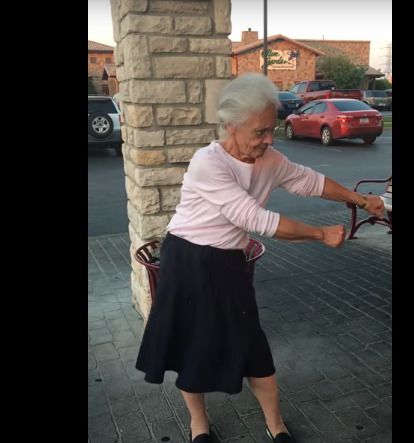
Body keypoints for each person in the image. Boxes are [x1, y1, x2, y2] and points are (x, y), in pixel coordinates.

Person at [135, 74, 386, 443]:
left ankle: (276, 424)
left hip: (228, 262)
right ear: (230, 126)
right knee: (192, 346)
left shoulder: (269, 158)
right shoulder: (209, 162)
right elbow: (255, 219)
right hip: (186, 260)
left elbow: (310, 180)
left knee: (252, 343)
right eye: (259, 132)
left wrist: (361, 200)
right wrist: (318, 233)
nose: (268, 139)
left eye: (271, 129)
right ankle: (199, 425)